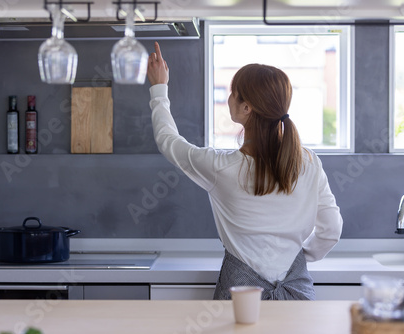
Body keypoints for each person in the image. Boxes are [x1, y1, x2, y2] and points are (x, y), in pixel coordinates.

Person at [147, 42, 343, 300]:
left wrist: (159, 88)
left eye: (232, 92)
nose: (228, 98)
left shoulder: (221, 167)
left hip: (240, 301)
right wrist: (296, 259)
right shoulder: (309, 163)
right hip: (298, 298)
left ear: (246, 107)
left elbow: (168, 141)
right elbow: (332, 230)